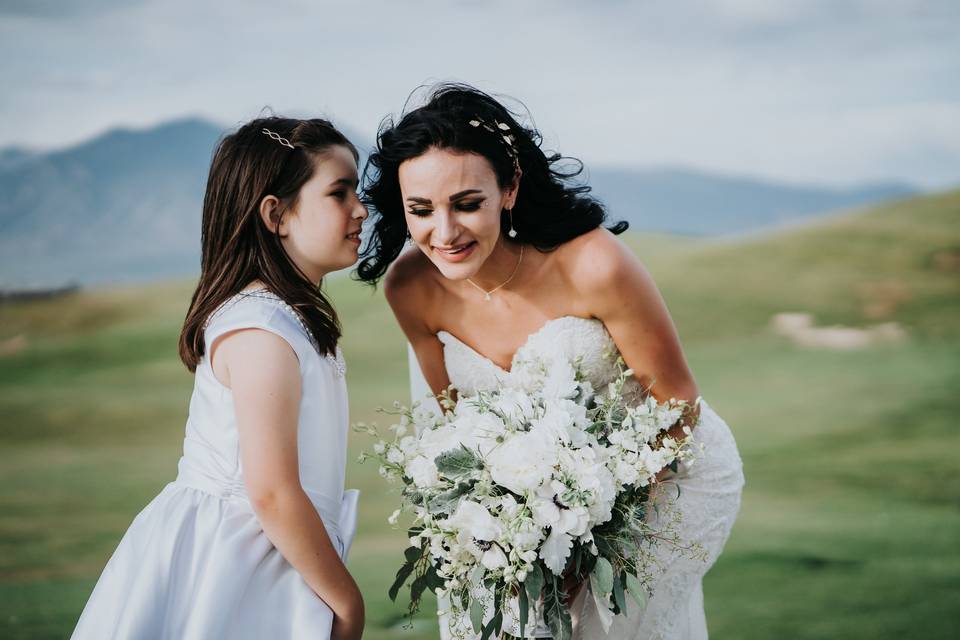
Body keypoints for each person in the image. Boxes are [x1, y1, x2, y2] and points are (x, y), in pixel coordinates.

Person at [358, 84, 744, 639]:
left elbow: (677, 404)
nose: (443, 234)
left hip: (673, 476)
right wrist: (507, 532)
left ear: (509, 187)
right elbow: (452, 424)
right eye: (421, 210)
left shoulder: (594, 265)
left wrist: (590, 532)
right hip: (536, 512)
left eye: (467, 204)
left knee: (606, 627)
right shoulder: (411, 287)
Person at [72, 117, 368, 640]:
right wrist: (345, 598)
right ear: (276, 214)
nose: (360, 209)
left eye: (357, 192)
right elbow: (272, 492)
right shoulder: (261, 328)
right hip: (228, 569)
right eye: (339, 193)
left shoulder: (287, 318)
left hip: (274, 555)